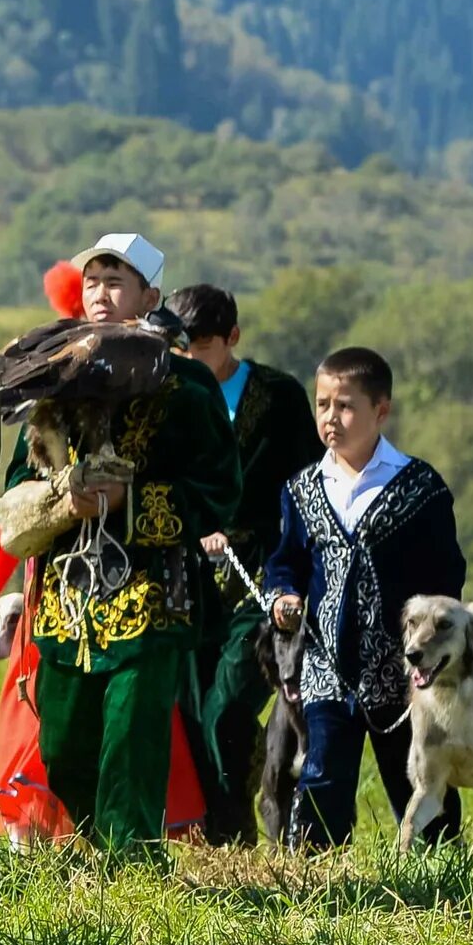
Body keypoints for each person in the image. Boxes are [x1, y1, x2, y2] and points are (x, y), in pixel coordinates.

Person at [1, 233, 240, 851]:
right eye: (92, 282)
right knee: (63, 747)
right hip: (62, 600)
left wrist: (126, 503)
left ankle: (129, 873)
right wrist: (58, 499)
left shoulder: (186, 385)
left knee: (131, 745)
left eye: (116, 281)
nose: (101, 294)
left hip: (149, 599)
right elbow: (18, 481)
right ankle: (94, 854)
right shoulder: (54, 382)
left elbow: (218, 488)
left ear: (148, 295)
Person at [262, 347, 466, 848]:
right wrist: (282, 596)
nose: (332, 418)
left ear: (381, 410)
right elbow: (285, 560)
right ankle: (311, 877)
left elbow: (447, 575)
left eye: (345, 406)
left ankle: (441, 869)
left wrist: (431, 648)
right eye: (323, 404)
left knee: (415, 771)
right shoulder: (302, 488)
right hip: (326, 666)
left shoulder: (421, 489)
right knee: (323, 771)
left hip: (402, 673)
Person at [168, 283, 323, 845]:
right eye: (180, 349)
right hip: (183, 574)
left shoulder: (279, 396)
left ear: (232, 338)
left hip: (260, 571)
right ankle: (211, 829)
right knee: (188, 709)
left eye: (202, 346)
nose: (190, 360)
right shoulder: (166, 391)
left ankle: (234, 837)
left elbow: (309, 484)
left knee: (228, 709)